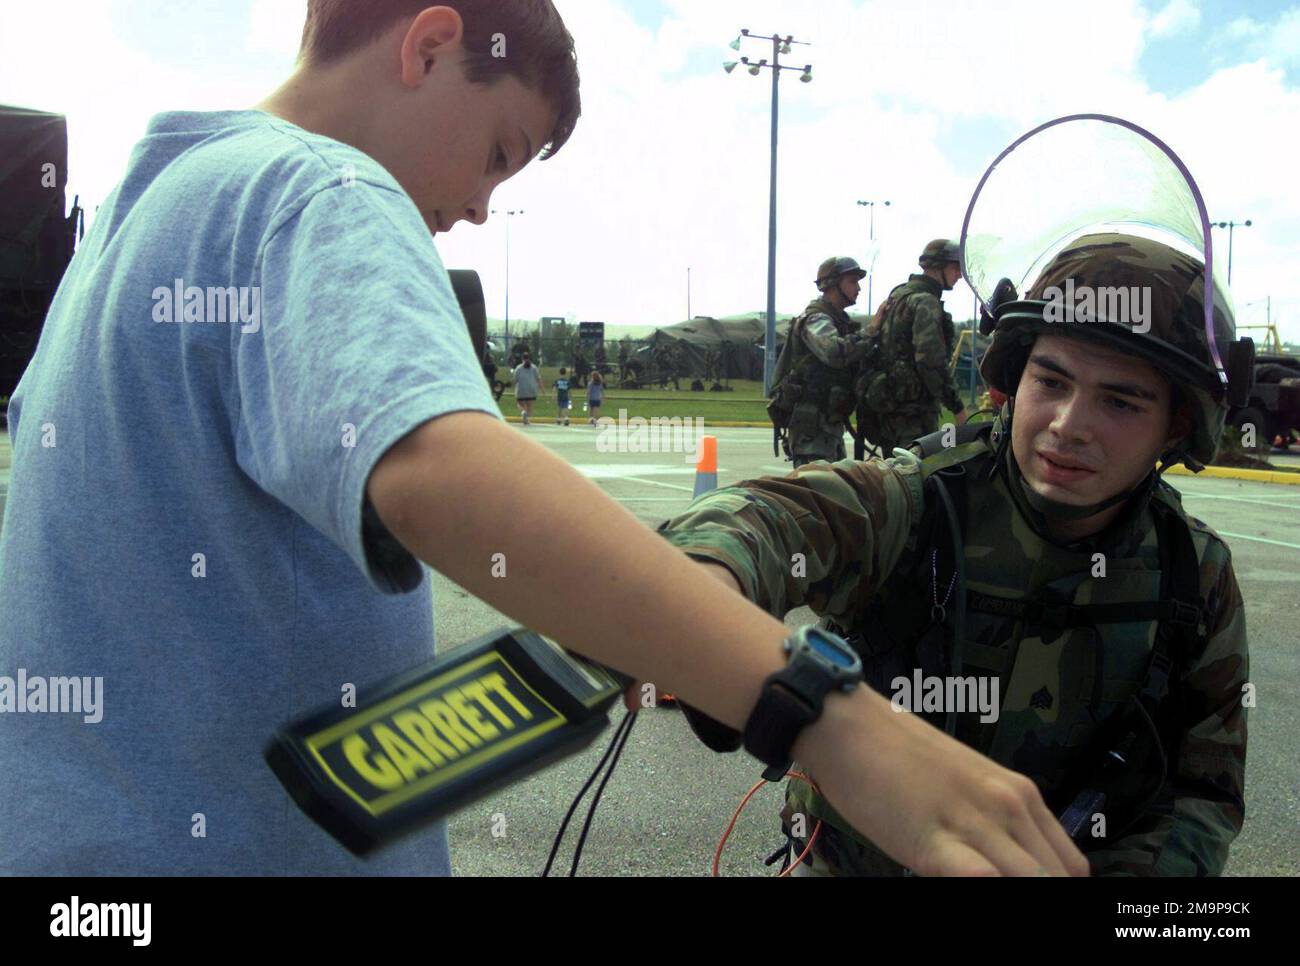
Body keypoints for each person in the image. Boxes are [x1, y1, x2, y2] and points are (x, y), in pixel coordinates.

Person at [0, 0, 1084, 878]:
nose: (477, 207)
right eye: (497, 153)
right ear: (430, 45)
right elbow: (436, 467)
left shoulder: (143, 216)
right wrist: (827, 720)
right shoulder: (316, 190)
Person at [658, 229, 1250, 876]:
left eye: (1119, 401)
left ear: (1178, 424)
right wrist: (708, 573)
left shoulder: (1193, 573)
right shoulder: (922, 504)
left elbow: (1202, 795)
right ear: (1013, 380)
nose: (1069, 424)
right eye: (1050, 381)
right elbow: (779, 518)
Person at [861, 239, 969, 456]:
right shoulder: (926, 302)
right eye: (955, 267)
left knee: (894, 477)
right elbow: (930, 361)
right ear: (939, 267)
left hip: (890, 408)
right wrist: (956, 406)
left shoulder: (899, 295)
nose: (960, 274)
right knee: (915, 479)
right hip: (913, 415)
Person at [768, 256, 873, 467]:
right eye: (852, 281)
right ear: (832, 284)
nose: (859, 288)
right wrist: (872, 330)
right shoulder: (816, 319)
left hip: (827, 427)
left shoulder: (837, 320)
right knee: (817, 492)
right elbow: (834, 353)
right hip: (812, 431)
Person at [512, 353, 543, 425]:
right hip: (532, 389)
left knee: (520, 403)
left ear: (522, 359)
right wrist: (542, 390)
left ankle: (523, 412)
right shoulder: (534, 367)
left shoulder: (518, 368)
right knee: (530, 405)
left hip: (521, 389)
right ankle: (527, 419)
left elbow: (515, 379)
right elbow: (538, 379)